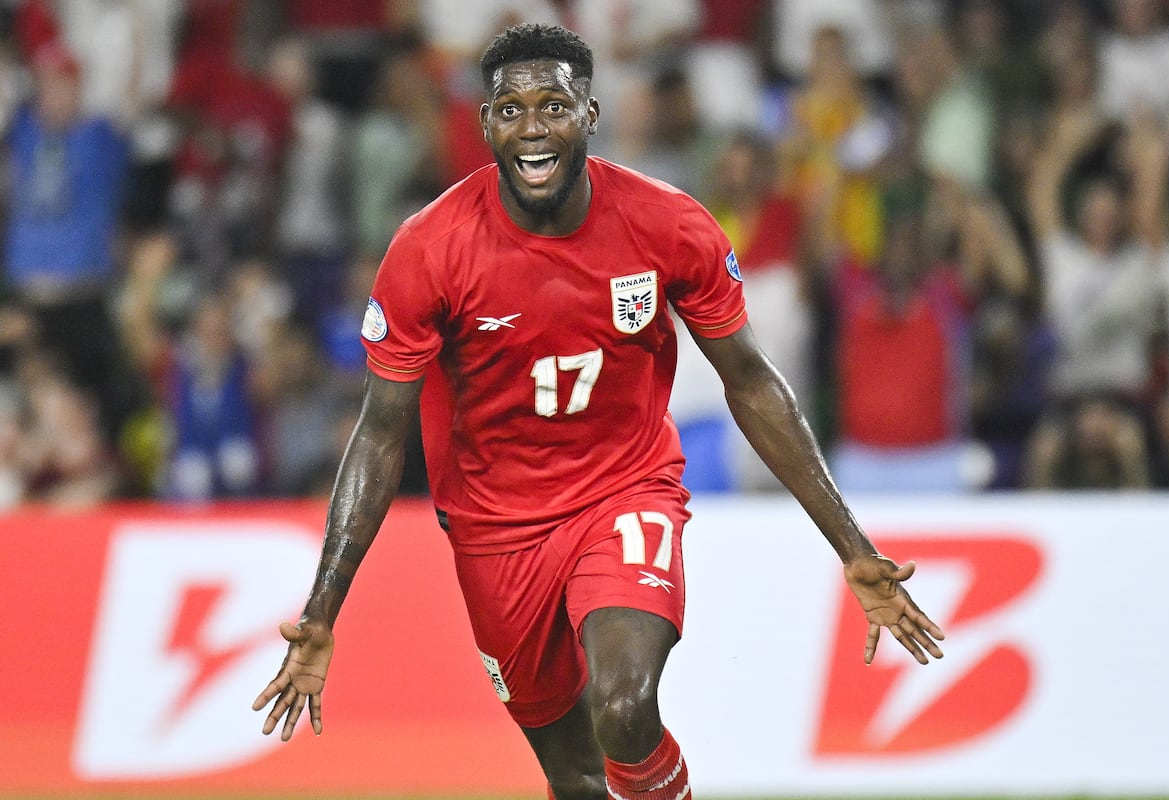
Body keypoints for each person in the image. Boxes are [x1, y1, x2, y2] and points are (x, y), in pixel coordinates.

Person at [253, 24, 944, 799]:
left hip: (624, 491)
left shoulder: (668, 224)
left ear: (589, 113)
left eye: (554, 105)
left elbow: (751, 383)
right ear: (486, 124)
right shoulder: (430, 249)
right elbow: (380, 435)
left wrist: (852, 546)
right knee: (578, 778)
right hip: (494, 531)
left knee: (625, 706)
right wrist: (324, 605)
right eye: (510, 110)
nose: (532, 128)